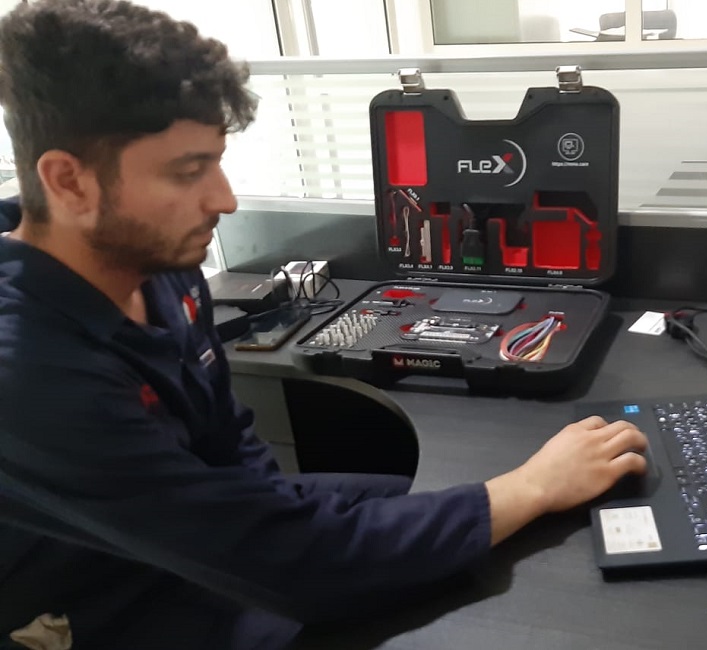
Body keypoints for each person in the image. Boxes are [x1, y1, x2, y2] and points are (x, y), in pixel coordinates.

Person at [0, 1, 648, 648]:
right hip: (98, 614)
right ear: (70, 183)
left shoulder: (154, 263)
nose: (224, 199)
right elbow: (295, 566)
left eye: (216, 162)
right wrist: (531, 486)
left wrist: (510, 497)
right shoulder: (28, 375)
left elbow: (232, 452)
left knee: (458, 512)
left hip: (193, 543)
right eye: (188, 172)